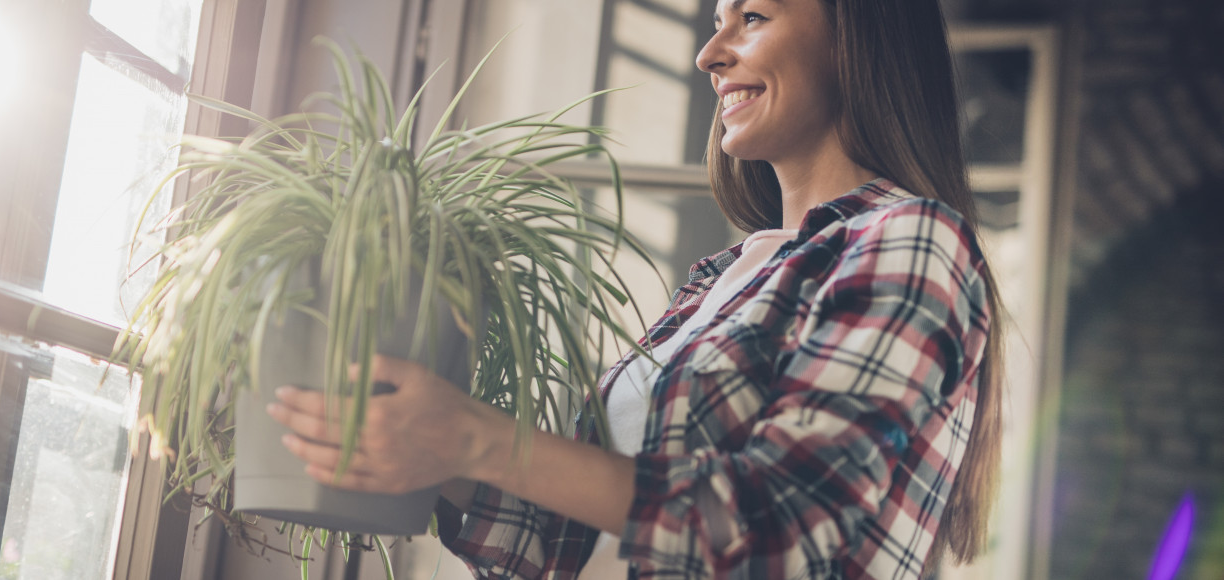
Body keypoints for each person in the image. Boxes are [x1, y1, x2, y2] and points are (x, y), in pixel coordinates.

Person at [266, 0, 1004, 577]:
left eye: (752, 18)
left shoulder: (910, 240)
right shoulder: (725, 279)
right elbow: (563, 546)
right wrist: (426, 446)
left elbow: (775, 533)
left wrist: (474, 436)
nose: (709, 55)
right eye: (717, 24)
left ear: (855, 36)